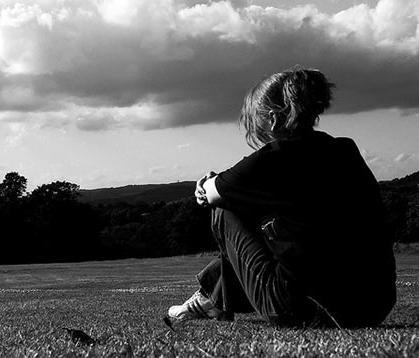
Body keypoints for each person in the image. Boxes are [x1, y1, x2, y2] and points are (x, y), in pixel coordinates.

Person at [168, 67, 396, 328]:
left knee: (225, 209)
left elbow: (209, 195)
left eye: (257, 122)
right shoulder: (346, 149)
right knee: (258, 212)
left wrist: (208, 185)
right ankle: (212, 297)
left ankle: (214, 301)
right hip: (373, 306)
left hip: (302, 308)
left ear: (274, 120)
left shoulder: (269, 160)